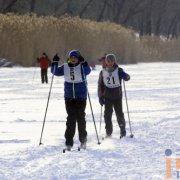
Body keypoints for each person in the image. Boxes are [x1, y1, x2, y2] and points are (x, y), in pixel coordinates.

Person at [51, 50, 91, 150]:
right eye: (72, 57)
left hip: (81, 97)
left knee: (81, 119)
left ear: (78, 59)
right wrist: (54, 62)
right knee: (70, 120)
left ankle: (83, 141)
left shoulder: (81, 66)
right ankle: (68, 143)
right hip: (69, 97)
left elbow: (88, 71)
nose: (73, 59)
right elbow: (55, 72)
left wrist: (84, 63)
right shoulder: (65, 67)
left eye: (75, 58)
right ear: (69, 58)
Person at [98, 54, 130, 138]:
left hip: (117, 96)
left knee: (119, 114)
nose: (110, 62)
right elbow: (100, 85)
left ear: (114, 61)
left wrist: (126, 76)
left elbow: (126, 76)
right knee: (107, 115)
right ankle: (108, 132)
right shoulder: (102, 72)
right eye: (108, 61)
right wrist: (100, 96)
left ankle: (122, 130)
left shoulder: (119, 70)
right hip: (107, 96)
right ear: (106, 62)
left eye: (112, 61)